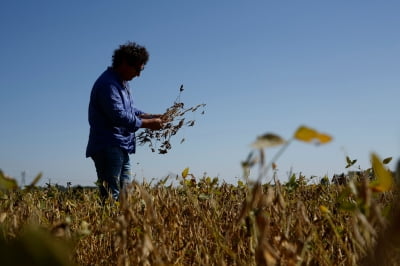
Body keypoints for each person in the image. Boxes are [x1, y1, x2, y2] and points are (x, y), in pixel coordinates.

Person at [86, 41, 163, 202]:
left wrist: (151, 116)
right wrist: (149, 124)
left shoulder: (122, 84)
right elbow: (119, 116)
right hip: (108, 145)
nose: (138, 74)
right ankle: (108, 226)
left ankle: (120, 226)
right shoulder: (108, 84)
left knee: (125, 196)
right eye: (137, 69)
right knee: (111, 196)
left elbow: (130, 111)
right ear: (124, 63)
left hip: (121, 145)